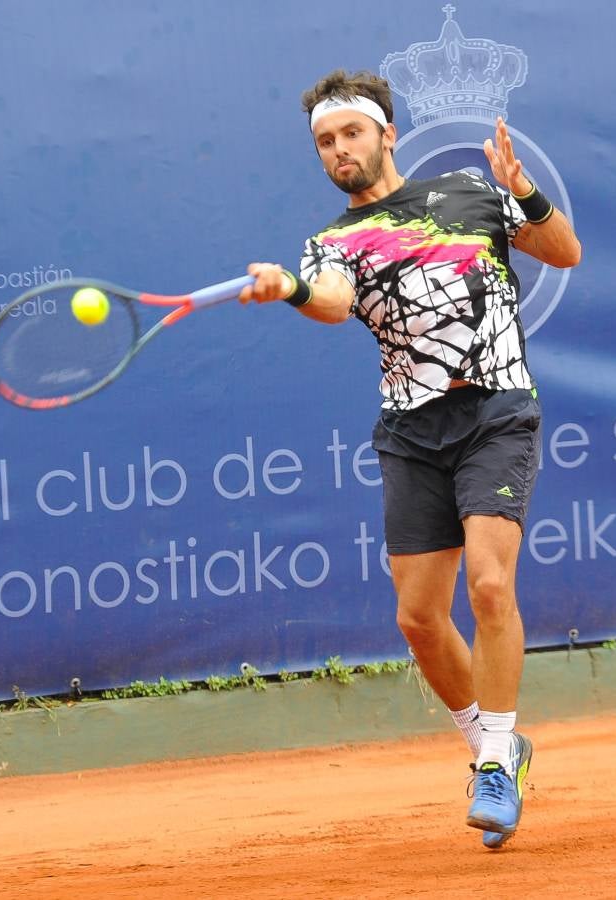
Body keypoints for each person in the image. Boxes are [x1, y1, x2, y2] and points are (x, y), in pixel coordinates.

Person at [240, 69, 582, 849]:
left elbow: (562, 253)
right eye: (324, 142)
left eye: (350, 134)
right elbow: (329, 301)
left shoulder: (468, 190)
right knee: (419, 618)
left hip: (495, 411)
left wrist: (524, 192)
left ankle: (494, 762)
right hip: (410, 431)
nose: (338, 151)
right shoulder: (331, 243)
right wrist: (291, 286)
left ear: (385, 134)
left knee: (490, 584)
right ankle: (493, 749)